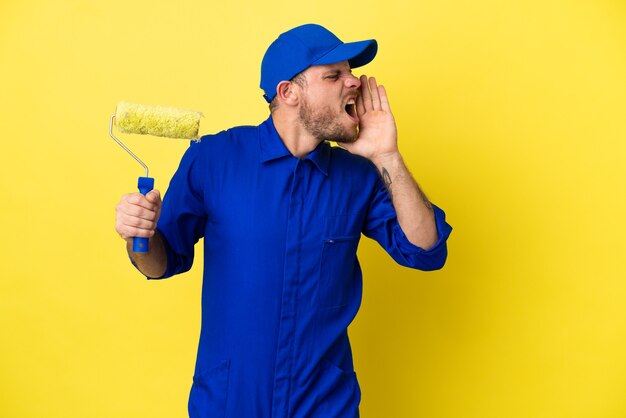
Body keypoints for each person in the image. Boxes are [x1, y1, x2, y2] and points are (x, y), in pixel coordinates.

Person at [115, 23, 452, 418]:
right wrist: (140, 235)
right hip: (230, 402)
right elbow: (161, 262)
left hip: (325, 404)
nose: (355, 82)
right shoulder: (213, 159)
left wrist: (387, 155)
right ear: (288, 92)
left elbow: (426, 250)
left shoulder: (359, 174)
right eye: (334, 75)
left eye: (352, 72)